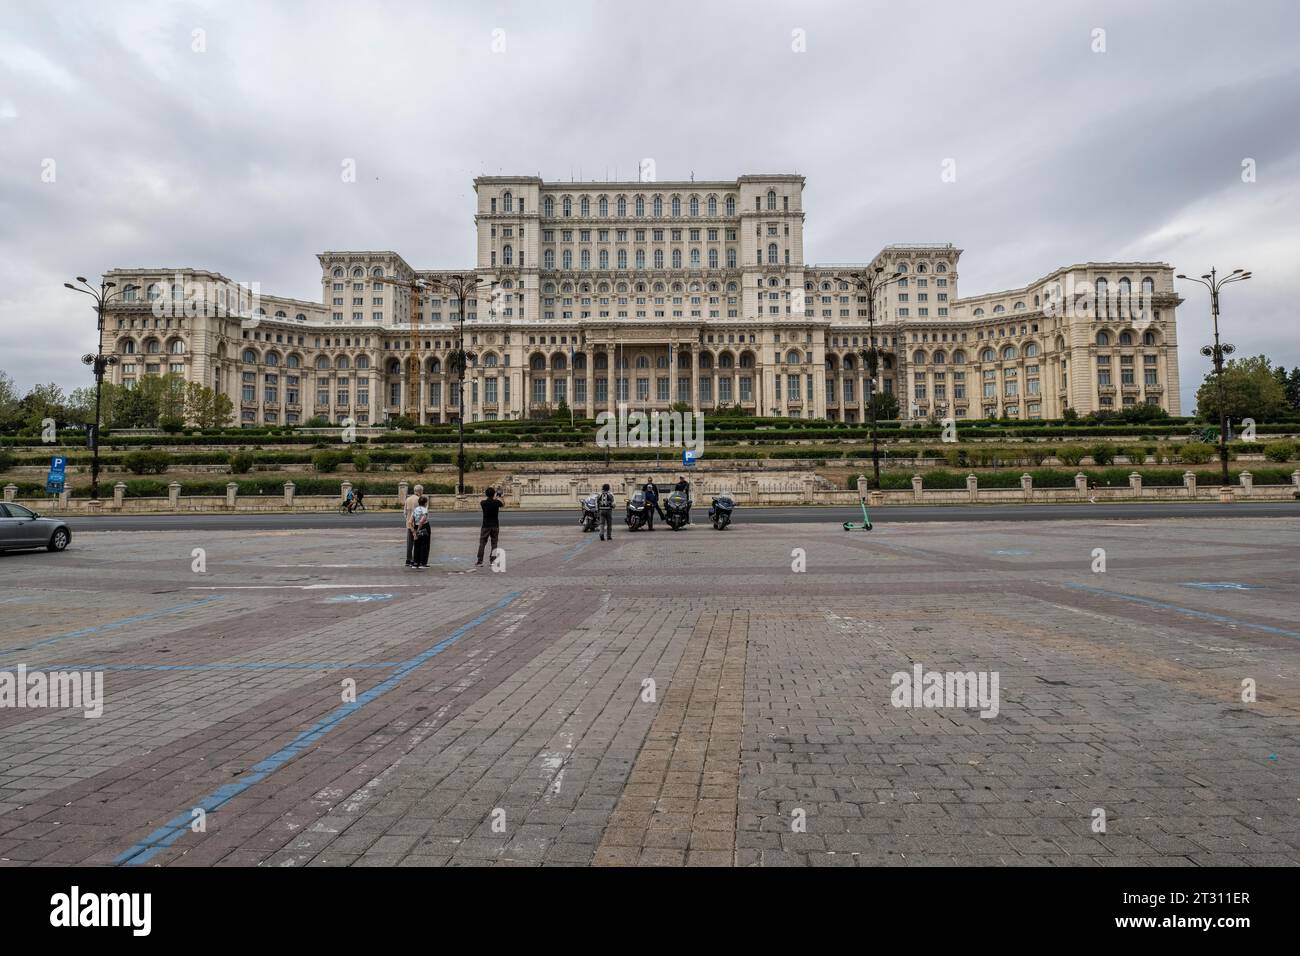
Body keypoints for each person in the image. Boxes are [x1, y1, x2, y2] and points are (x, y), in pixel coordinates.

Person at [475, 487, 505, 568]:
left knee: (482, 543)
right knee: (494, 544)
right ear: (494, 494)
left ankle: (479, 561)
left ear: (486, 494)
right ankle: (493, 560)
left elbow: (486, 501)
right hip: (495, 525)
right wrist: (500, 496)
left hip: (485, 525)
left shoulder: (483, 503)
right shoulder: (497, 502)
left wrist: (493, 497)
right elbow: (503, 504)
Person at [403, 483, 425, 567]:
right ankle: (415, 560)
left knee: (410, 543)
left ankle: (408, 560)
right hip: (417, 524)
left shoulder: (408, 499)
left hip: (409, 524)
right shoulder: (420, 499)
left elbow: (404, 512)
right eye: (422, 491)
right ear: (420, 491)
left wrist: (408, 520)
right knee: (418, 543)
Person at [410, 496, 431, 569]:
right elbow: (422, 520)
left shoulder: (415, 510)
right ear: (425, 503)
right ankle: (423, 563)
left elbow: (410, 522)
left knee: (417, 545)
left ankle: (415, 563)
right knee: (424, 545)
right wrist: (419, 530)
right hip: (424, 527)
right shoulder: (424, 510)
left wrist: (414, 532)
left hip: (415, 526)